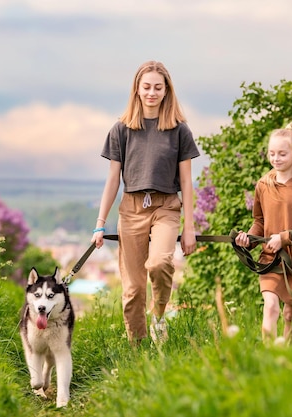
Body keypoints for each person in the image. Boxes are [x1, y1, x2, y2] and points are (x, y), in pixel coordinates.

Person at [91, 60, 200, 345]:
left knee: (160, 263)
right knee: (133, 291)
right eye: (147, 87)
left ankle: (160, 316)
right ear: (137, 90)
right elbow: (113, 179)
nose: (152, 93)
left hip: (166, 207)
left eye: (158, 88)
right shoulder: (121, 130)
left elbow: (187, 182)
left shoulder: (179, 131)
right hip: (132, 209)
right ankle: (138, 352)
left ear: (166, 91)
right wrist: (100, 224)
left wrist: (189, 227)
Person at [235, 122, 292, 345]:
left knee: (291, 315)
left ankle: (288, 360)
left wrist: (284, 237)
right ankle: (269, 357)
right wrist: (247, 239)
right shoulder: (263, 185)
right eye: (272, 153)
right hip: (270, 258)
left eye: (282, 154)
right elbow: (259, 221)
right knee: (270, 306)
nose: (276, 158)